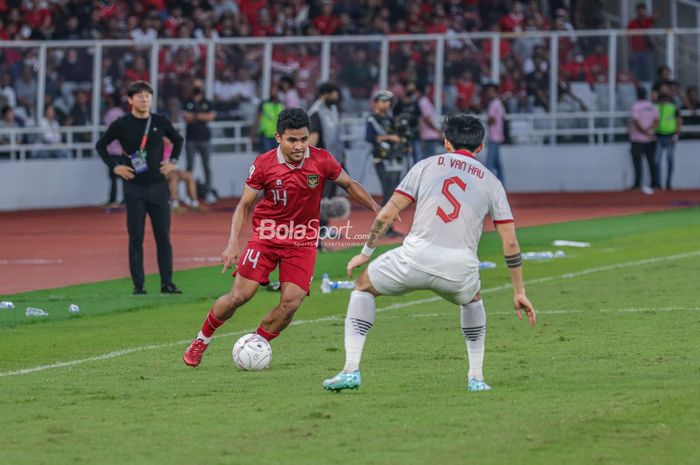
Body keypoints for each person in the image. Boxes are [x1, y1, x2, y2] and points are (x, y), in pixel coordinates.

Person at [322, 113, 536, 393]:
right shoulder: (491, 182)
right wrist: (519, 291)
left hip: (413, 258)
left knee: (363, 287)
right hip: (458, 269)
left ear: (446, 142)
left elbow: (387, 214)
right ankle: (476, 378)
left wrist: (366, 252)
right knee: (473, 300)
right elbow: (510, 243)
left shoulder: (426, 165)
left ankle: (350, 370)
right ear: (481, 147)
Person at [182, 108, 382, 367]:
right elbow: (244, 205)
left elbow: (350, 185)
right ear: (278, 137)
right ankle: (201, 339)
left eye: (304, 139)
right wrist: (232, 243)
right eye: (292, 140)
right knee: (239, 296)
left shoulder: (322, 159)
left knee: (291, 302)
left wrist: (378, 209)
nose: (300, 146)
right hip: (266, 238)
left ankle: (255, 343)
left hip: (302, 242)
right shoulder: (264, 164)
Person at [95, 81, 184, 295]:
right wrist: (115, 167)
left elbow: (178, 139)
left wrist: (173, 161)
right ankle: (139, 285)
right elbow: (101, 145)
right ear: (130, 100)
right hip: (134, 188)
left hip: (158, 187)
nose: (144, 99)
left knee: (163, 236)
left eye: (148, 95)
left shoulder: (159, 121)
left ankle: (167, 283)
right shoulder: (122, 124)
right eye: (140, 96)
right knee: (136, 237)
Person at [366, 90, 404, 238]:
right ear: (376, 103)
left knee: (394, 194)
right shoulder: (372, 120)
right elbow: (370, 137)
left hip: (394, 159)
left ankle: (388, 226)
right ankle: (383, 228)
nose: (386, 104)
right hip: (381, 160)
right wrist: (390, 137)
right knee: (388, 193)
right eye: (382, 101)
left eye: (388, 101)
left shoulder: (390, 119)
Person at [182, 79, 216, 204]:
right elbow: (186, 118)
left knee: (206, 166)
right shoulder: (187, 102)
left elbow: (211, 117)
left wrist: (195, 116)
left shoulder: (207, 102)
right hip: (191, 138)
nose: (197, 88)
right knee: (189, 167)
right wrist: (201, 116)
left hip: (205, 138)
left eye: (199, 86)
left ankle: (208, 192)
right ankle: (188, 194)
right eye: (195, 86)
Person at [629, 87, 659, 193]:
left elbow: (636, 122)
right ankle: (655, 184)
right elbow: (656, 120)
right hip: (651, 138)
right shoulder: (652, 105)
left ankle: (638, 184)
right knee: (652, 162)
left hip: (637, 139)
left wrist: (643, 131)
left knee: (637, 163)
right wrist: (649, 130)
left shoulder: (636, 106)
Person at [655, 83, 682, 190]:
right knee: (657, 161)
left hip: (670, 136)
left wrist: (676, 135)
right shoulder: (656, 107)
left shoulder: (673, 108)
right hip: (659, 136)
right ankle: (658, 183)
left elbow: (679, 122)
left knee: (669, 160)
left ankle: (668, 183)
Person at [103, 94, 126, 206]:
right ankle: (124, 199)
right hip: (121, 150)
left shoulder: (111, 113)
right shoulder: (121, 113)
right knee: (123, 176)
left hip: (113, 150)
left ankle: (113, 199)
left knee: (113, 176)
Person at [251, 83, 285, 152]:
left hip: (277, 136)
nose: (274, 91)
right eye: (272, 90)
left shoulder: (281, 105)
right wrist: (253, 134)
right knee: (267, 156)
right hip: (265, 135)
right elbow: (257, 119)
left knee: (276, 158)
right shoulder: (264, 104)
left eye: (276, 90)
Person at [485, 83, 506, 184]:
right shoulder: (499, 103)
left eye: (491, 91)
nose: (489, 93)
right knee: (498, 164)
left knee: (489, 164)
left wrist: (487, 121)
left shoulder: (493, 104)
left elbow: (491, 119)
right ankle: (502, 184)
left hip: (493, 136)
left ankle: (487, 187)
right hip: (498, 136)